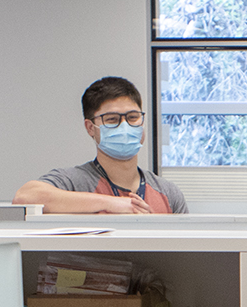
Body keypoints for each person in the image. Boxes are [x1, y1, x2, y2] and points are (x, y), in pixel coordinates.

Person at [14, 76, 189, 214]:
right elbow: (24, 198)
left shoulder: (168, 193)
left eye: (133, 117)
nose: (125, 126)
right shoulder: (75, 182)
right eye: (112, 119)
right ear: (91, 128)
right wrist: (111, 204)